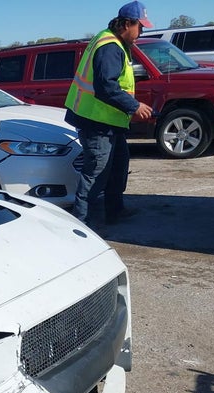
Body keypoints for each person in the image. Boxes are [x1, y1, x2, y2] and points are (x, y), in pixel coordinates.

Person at [65, 1, 155, 226]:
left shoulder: (113, 41)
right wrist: (134, 106)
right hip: (95, 122)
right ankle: (81, 225)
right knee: (96, 173)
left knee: (118, 166)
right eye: (140, 27)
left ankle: (114, 211)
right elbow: (106, 87)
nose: (141, 32)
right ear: (127, 24)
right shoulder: (110, 46)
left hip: (108, 121)